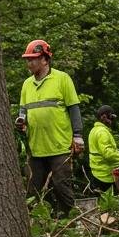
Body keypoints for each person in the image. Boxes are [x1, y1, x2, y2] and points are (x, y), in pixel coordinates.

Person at [16, 39, 83, 216]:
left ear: (45, 59)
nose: (29, 63)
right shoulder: (26, 84)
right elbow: (23, 110)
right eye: (27, 59)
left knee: (62, 186)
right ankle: (36, 223)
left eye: (33, 59)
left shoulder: (62, 79)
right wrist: (21, 120)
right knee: (33, 190)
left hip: (59, 147)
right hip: (36, 148)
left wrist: (78, 136)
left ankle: (69, 220)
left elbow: (74, 108)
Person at [87, 105, 119, 197]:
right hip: (105, 173)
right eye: (111, 117)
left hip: (96, 170)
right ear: (104, 117)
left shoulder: (94, 130)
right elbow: (107, 153)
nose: (112, 121)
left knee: (95, 198)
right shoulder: (102, 132)